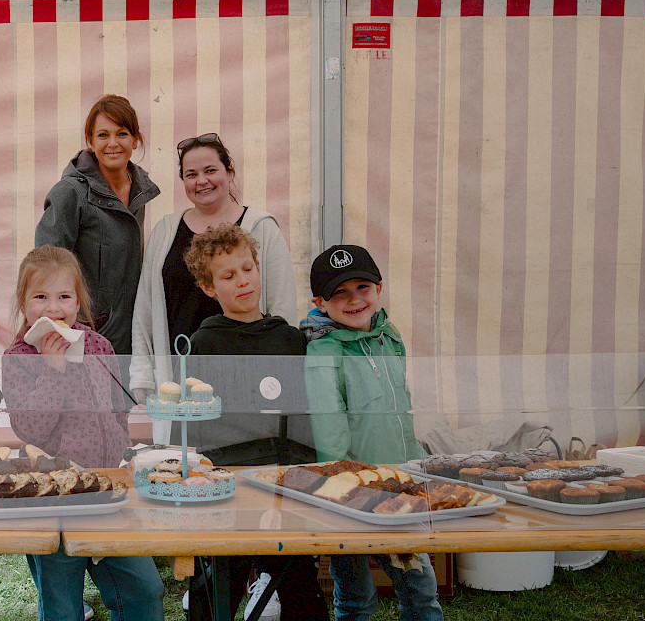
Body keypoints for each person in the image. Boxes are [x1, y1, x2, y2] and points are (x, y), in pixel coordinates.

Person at [0, 246, 164, 621]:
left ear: (78, 301)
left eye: (64, 296)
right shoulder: (18, 358)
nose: (53, 308)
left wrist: (125, 452)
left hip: (107, 491)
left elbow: (117, 411)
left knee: (146, 591)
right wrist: (52, 371)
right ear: (24, 304)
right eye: (40, 297)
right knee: (61, 604)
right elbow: (28, 428)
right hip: (54, 497)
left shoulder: (100, 346)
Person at [182, 226, 324, 621]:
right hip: (231, 488)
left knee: (298, 586)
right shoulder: (204, 343)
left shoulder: (289, 338)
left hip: (287, 485)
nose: (242, 281)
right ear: (208, 288)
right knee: (216, 587)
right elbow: (201, 426)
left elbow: (303, 417)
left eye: (247, 268)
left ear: (259, 268)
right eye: (228, 276)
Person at [302, 244, 441, 621]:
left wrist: (413, 468)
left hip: (399, 485)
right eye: (340, 293)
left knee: (420, 588)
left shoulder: (390, 336)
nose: (354, 300)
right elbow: (329, 428)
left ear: (379, 289)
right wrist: (348, 487)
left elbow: (402, 411)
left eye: (362, 287)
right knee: (356, 595)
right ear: (320, 302)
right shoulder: (322, 351)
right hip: (350, 492)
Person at [131, 133, 298, 414]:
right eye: (191, 174)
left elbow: (282, 308)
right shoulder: (164, 231)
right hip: (177, 382)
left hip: (247, 383)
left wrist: (276, 379)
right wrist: (143, 375)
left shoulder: (262, 227)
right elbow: (144, 309)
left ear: (229, 171)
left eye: (211, 170)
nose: (202, 181)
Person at [35, 94, 160, 364]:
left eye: (122, 133)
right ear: (90, 141)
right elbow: (45, 269)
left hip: (130, 336)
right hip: (82, 340)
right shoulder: (69, 193)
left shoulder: (139, 191)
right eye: (103, 135)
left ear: (135, 139)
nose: (113, 143)